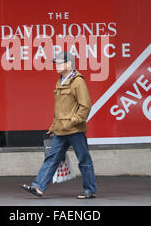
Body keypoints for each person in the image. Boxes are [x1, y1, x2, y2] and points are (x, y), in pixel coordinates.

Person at [21, 52, 97, 199]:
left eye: (59, 62)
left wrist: (73, 121)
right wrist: (54, 126)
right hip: (61, 130)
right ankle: (38, 187)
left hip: (75, 129)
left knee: (84, 159)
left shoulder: (77, 81)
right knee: (52, 158)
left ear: (68, 64)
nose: (56, 65)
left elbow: (85, 106)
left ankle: (90, 190)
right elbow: (61, 109)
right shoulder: (61, 81)